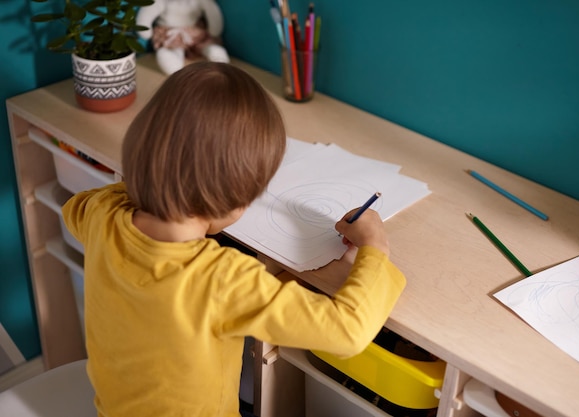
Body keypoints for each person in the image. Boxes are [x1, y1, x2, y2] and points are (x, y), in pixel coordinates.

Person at [62, 61, 406, 417]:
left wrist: (150, 181)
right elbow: (347, 331)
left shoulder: (102, 213)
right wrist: (374, 246)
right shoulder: (222, 279)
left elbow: (75, 209)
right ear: (233, 199)